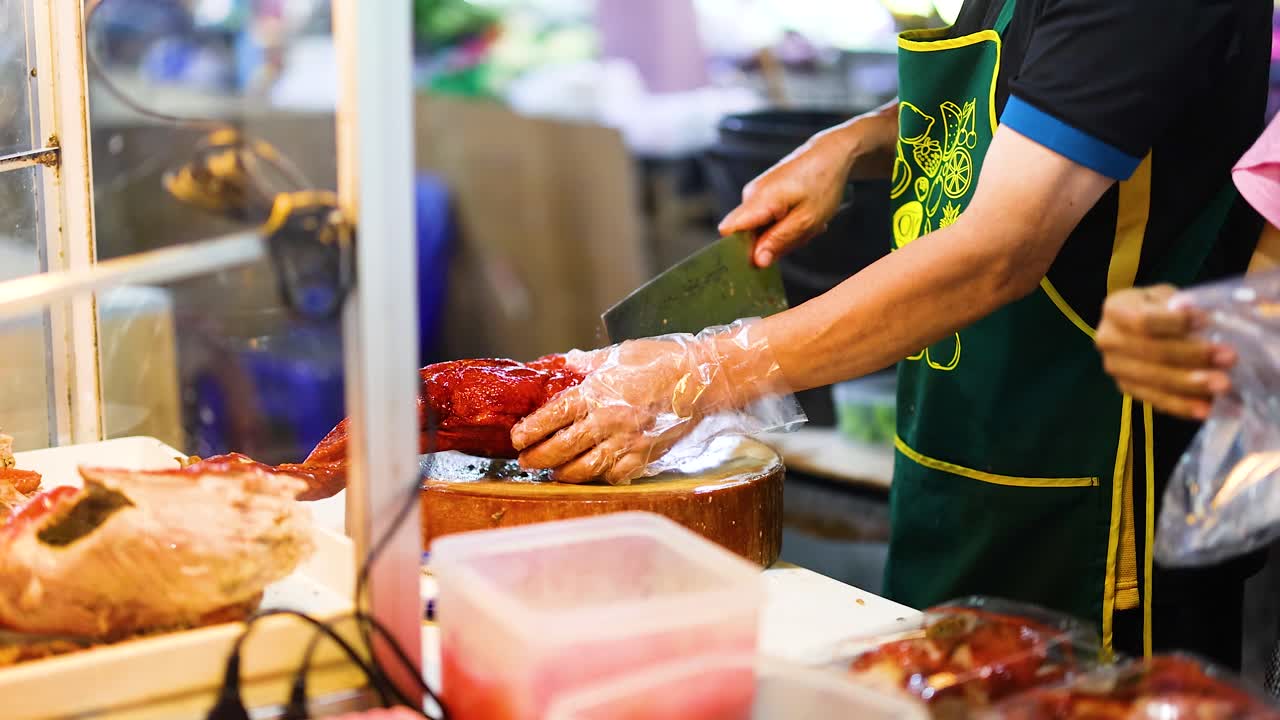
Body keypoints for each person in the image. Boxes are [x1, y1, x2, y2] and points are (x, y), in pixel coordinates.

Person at [514, 0, 1271, 668]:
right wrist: (857, 142)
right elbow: (1042, 101)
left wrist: (702, 371)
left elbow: (1000, 251)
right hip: (962, 442)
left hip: (1098, 489)